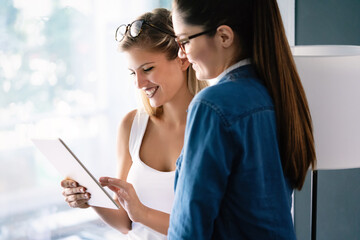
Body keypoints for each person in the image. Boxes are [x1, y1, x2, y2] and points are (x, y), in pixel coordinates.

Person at [168, 0, 316, 239]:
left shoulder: (212, 105)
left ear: (224, 36)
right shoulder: (280, 94)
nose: (180, 53)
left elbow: (189, 224)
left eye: (184, 41)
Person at [60, 8, 207, 239]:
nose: (139, 84)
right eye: (133, 73)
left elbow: (209, 227)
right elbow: (126, 222)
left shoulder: (212, 126)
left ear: (183, 59)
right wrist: (90, 197)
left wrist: (142, 213)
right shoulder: (132, 125)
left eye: (147, 69)